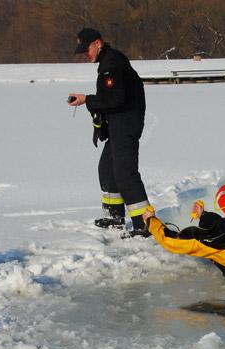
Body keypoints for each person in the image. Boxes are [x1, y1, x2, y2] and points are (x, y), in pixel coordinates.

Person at [68, 27, 151, 237]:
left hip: (126, 123)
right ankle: (115, 217)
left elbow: (115, 99)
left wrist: (87, 100)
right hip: (118, 123)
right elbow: (113, 100)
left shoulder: (112, 64)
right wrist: (102, 122)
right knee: (107, 169)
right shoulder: (108, 63)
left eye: (86, 49)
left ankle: (144, 224)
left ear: (97, 43)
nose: (85, 55)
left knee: (125, 174)